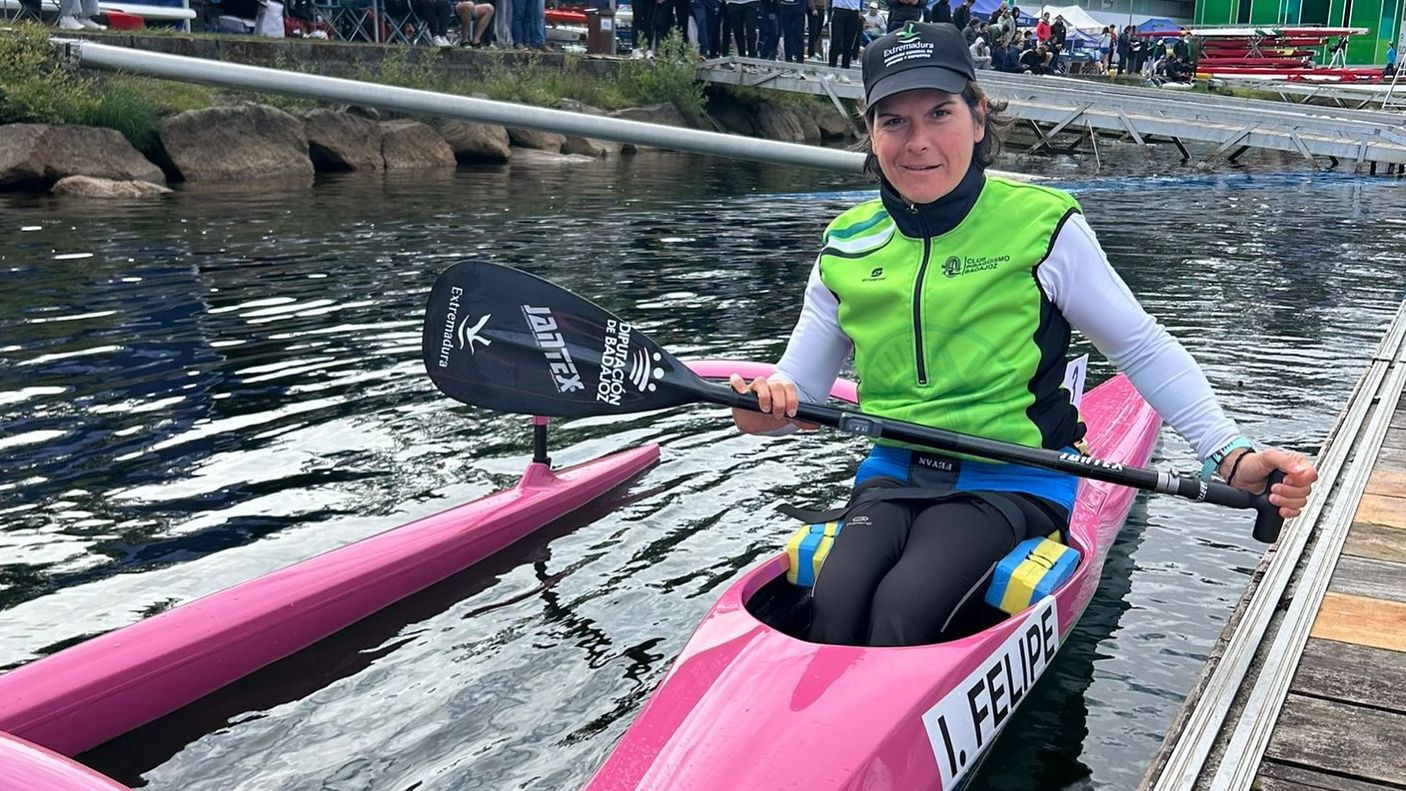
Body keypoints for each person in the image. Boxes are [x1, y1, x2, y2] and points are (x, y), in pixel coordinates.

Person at [727, 21, 1317, 648]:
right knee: (836, 608)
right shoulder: (846, 244)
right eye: (893, 121)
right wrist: (767, 406)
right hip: (893, 471)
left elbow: (1140, 346)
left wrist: (1227, 451)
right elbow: (799, 388)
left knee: (903, 608)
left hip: (1016, 475)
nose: (919, 142)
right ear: (871, 135)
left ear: (979, 117)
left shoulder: (1042, 224)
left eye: (939, 113)